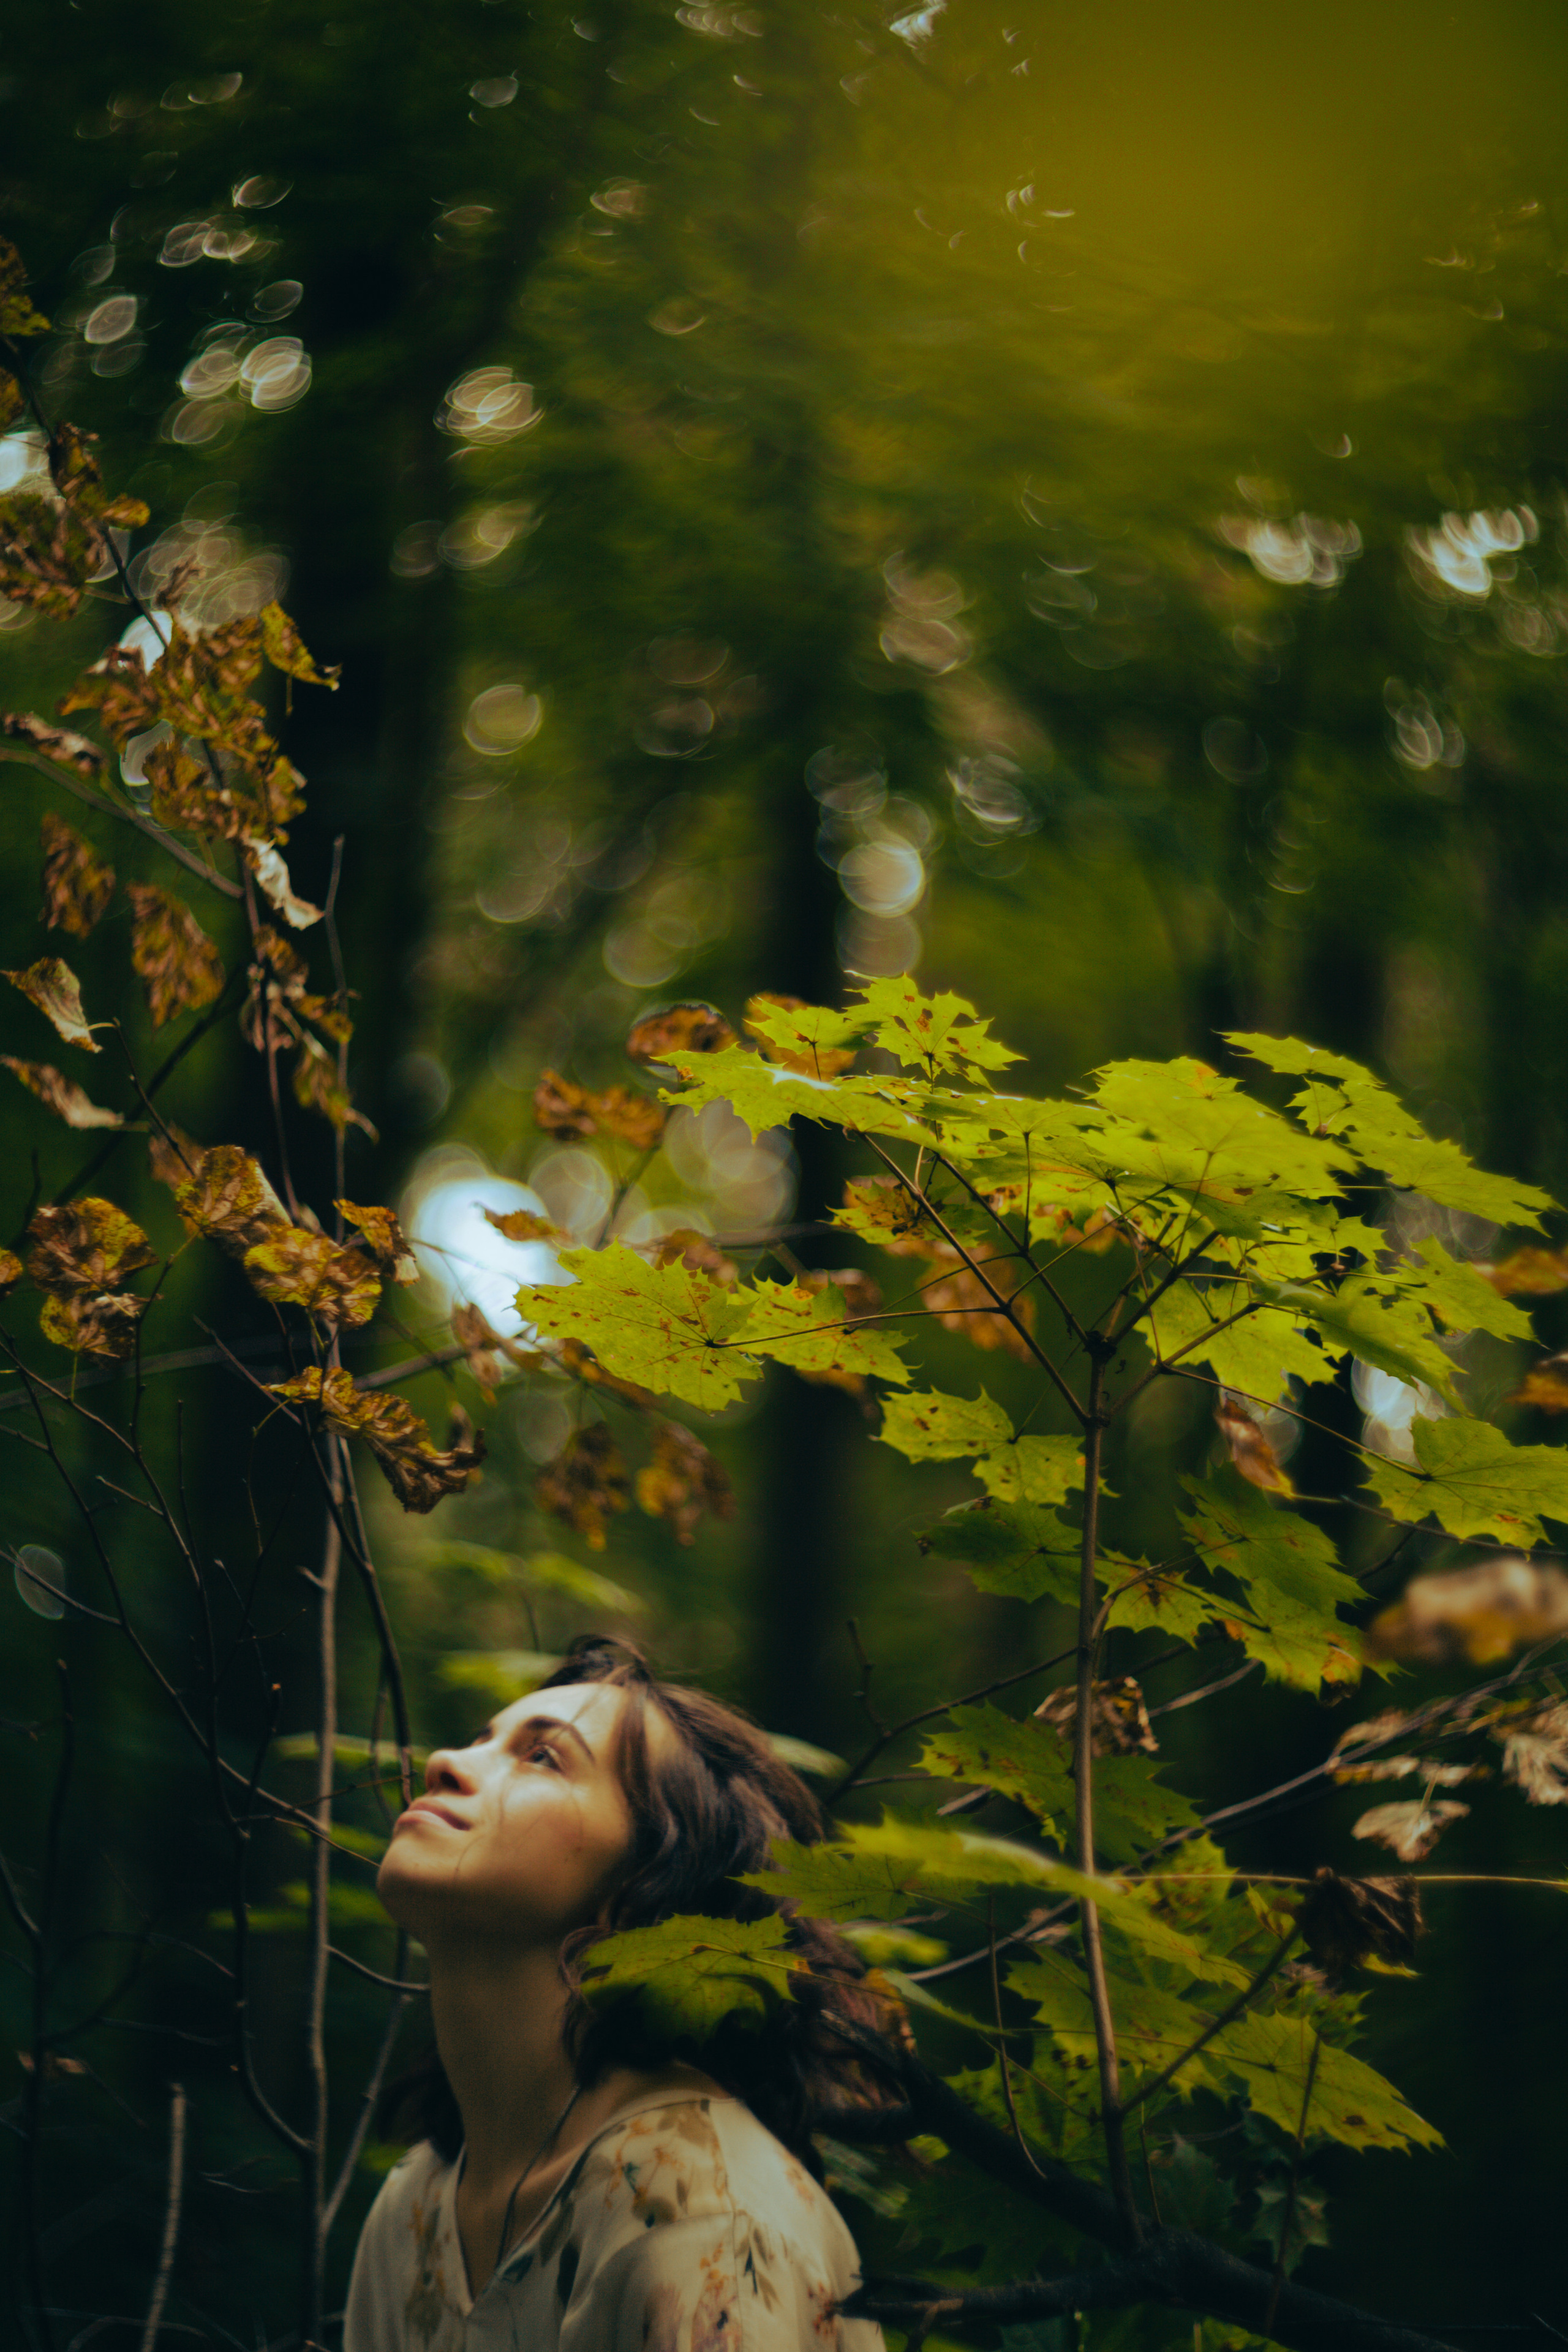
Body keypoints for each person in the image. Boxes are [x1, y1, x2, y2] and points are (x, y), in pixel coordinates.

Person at [344, 1636, 892, 2352]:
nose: (446, 1761)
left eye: (542, 1756)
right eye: (482, 1739)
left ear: (643, 1893)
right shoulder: (418, 2206)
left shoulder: (700, 2220)